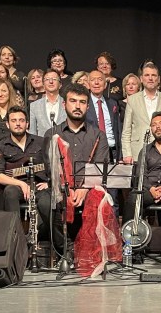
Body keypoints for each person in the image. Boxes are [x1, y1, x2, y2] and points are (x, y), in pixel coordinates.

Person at [42, 83, 110, 252]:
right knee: (45, 201)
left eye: (82, 102)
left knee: (99, 199)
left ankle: (88, 250)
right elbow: (50, 168)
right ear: (64, 104)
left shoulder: (98, 135)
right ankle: (64, 249)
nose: (78, 106)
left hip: (88, 188)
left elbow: (99, 167)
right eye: (73, 101)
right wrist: (66, 189)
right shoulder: (52, 134)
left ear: (88, 106)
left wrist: (84, 188)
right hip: (61, 188)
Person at [0, 105, 48, 216]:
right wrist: (21, 184)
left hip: (39, 186)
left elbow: (53, 166)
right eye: (14, 121)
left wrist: (49, 183)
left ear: (27, 124)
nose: (18, 124)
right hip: (16, 187)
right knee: (10, 192)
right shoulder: (0, 146)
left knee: (47, 201)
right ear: (7, 124)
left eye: (21, 120)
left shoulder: (41, 142)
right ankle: (15, 227)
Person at [124, 111, 161, 226]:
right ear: (151, 129)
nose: (157, 127)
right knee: (134, 198)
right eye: (154, 125)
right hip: (149, 190)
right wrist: (152, 189)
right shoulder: (145, 150)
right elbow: (140, 175)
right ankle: (130, 235)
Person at [121, 62, 161, 165]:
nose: (150, 78)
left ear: (158, 79)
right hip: (137, 151)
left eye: (154, 75)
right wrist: (127, 153)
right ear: (141, 79)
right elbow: (126, 130)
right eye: (147, 75)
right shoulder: (132, 100)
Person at [85, 70, 122, 162]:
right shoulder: (84, 103)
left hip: (113, 152)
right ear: (88, 85)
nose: (96, 82)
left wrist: (120, 155)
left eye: (100, 79)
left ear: (105, 85)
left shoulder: (112, 103)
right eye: (93, 80)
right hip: (93, 152)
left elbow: (118, 130)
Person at [28, 69, 66, 137]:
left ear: (60, 85)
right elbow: (32, 133)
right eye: (47, 79)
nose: (51, 82)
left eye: (54, 79)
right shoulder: (34, 106)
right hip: (42, 143)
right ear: (43, 85)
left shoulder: (68, 104)